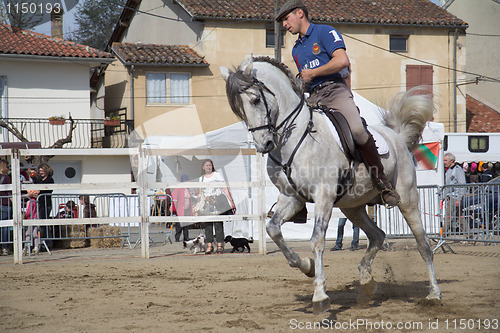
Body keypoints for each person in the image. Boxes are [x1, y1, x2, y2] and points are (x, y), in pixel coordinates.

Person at [276, 0, 400, 208]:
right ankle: (296, 199)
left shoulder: (325, 32)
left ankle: (383, 184)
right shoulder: (296, 50)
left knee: (358, 131)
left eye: (286, 19)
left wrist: (313, 73)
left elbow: (342, 61)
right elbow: (307, 80)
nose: (284, 26)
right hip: (313, 97)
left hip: (335, 91)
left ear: (300, 13)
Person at [198, 159, 235, 254]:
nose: (208, 167)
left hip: (217, 201)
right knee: (208, 225)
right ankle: (209, 246)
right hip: (207, 203)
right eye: (206, 165)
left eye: (210, 165)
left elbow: (224, 188)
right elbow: (200, 193)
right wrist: (198, 205)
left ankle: (220, 245)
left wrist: (231, 200)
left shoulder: (217, 175)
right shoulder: (201, 179)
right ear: (203, 167)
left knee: (218, 224)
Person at [444, 152, 466, 232]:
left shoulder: (458, 170)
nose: (444, 162)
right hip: (450, 196)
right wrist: (444, 196)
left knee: (448, 216)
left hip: (455, 197)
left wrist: (459, 198)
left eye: (446, 160)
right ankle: (469, 235)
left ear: (451, 160)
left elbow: (462, 185)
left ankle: (443, 235)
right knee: (460, 216)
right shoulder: (449, 170)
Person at [171, 174, 192, 242]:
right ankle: (177, 237)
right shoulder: (178, 188)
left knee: (186, 224)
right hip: (180, 209)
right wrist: (174, 210)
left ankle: (186, 237)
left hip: (187, 208)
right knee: (179, 225)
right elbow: (174, 198)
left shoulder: (187, 189)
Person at [0, 159, 12, 255]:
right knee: (5, 227)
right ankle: (5, 247)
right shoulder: (7, 178)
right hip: (5, 204)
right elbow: (10, 193)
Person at [23, 190, 40, 254]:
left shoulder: (29, 202)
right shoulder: (36, 201)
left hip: (29, 218)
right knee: (35, 233)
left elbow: (28, 211)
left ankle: (26, 247)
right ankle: (36, 247)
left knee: (28, 233)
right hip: (35, 218)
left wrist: (25, 216)